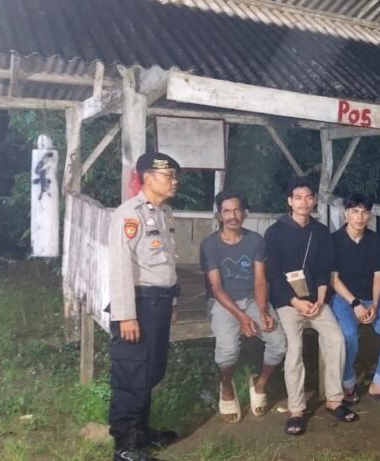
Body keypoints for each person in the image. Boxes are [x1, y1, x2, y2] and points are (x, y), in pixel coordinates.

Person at [264, 177, 356, 436]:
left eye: (308, 197)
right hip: (287, 302)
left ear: (314, 200)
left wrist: (321, 297)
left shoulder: (321, 231)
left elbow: (325, 268)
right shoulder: (274, 233)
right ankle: (296, 409)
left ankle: (335, 399)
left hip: (316, 300)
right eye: (298, 198)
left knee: (336, 339)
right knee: (293, 347)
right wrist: (295, 301)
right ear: (289, 201)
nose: (303, 203)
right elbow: (273, 275)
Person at [106, 152, 182, 461]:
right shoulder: (129, 214)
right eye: (168, 176)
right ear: (148, 178)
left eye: (175, 176)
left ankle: (141, 432)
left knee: (151, 370)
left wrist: (171, 301)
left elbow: (167, 266)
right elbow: (120, 266)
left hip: (158, 304)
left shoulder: (164, 214)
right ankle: (124, 446)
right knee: (131, 374)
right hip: (137, 305)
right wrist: (126, 315)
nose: (174, 182)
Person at [200, 190, 287, 423]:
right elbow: (216, 288)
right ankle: (226, 385)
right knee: (228, 349)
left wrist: (262, 311)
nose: (232, 216)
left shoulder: (255, 241)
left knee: (279, 343)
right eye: (226, 211)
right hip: (222, 303)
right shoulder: (210, 244)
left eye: (237, 210)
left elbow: (260, 281)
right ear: (219, 215)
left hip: (252, 300)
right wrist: (241, 317)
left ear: (245, 213)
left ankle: (259, 384)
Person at [330, 193, 380, 406]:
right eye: (354, 211)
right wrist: (355, 304)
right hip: (344, 298)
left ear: (369, 215)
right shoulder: (334, 240)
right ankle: (348, 382)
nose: (359, 217)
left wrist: (376, 304)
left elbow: (378, 276)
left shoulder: (375, 240)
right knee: (348, 334)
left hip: (371, 298)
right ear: (346, 214)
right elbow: (333, 279)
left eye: (364, 212)